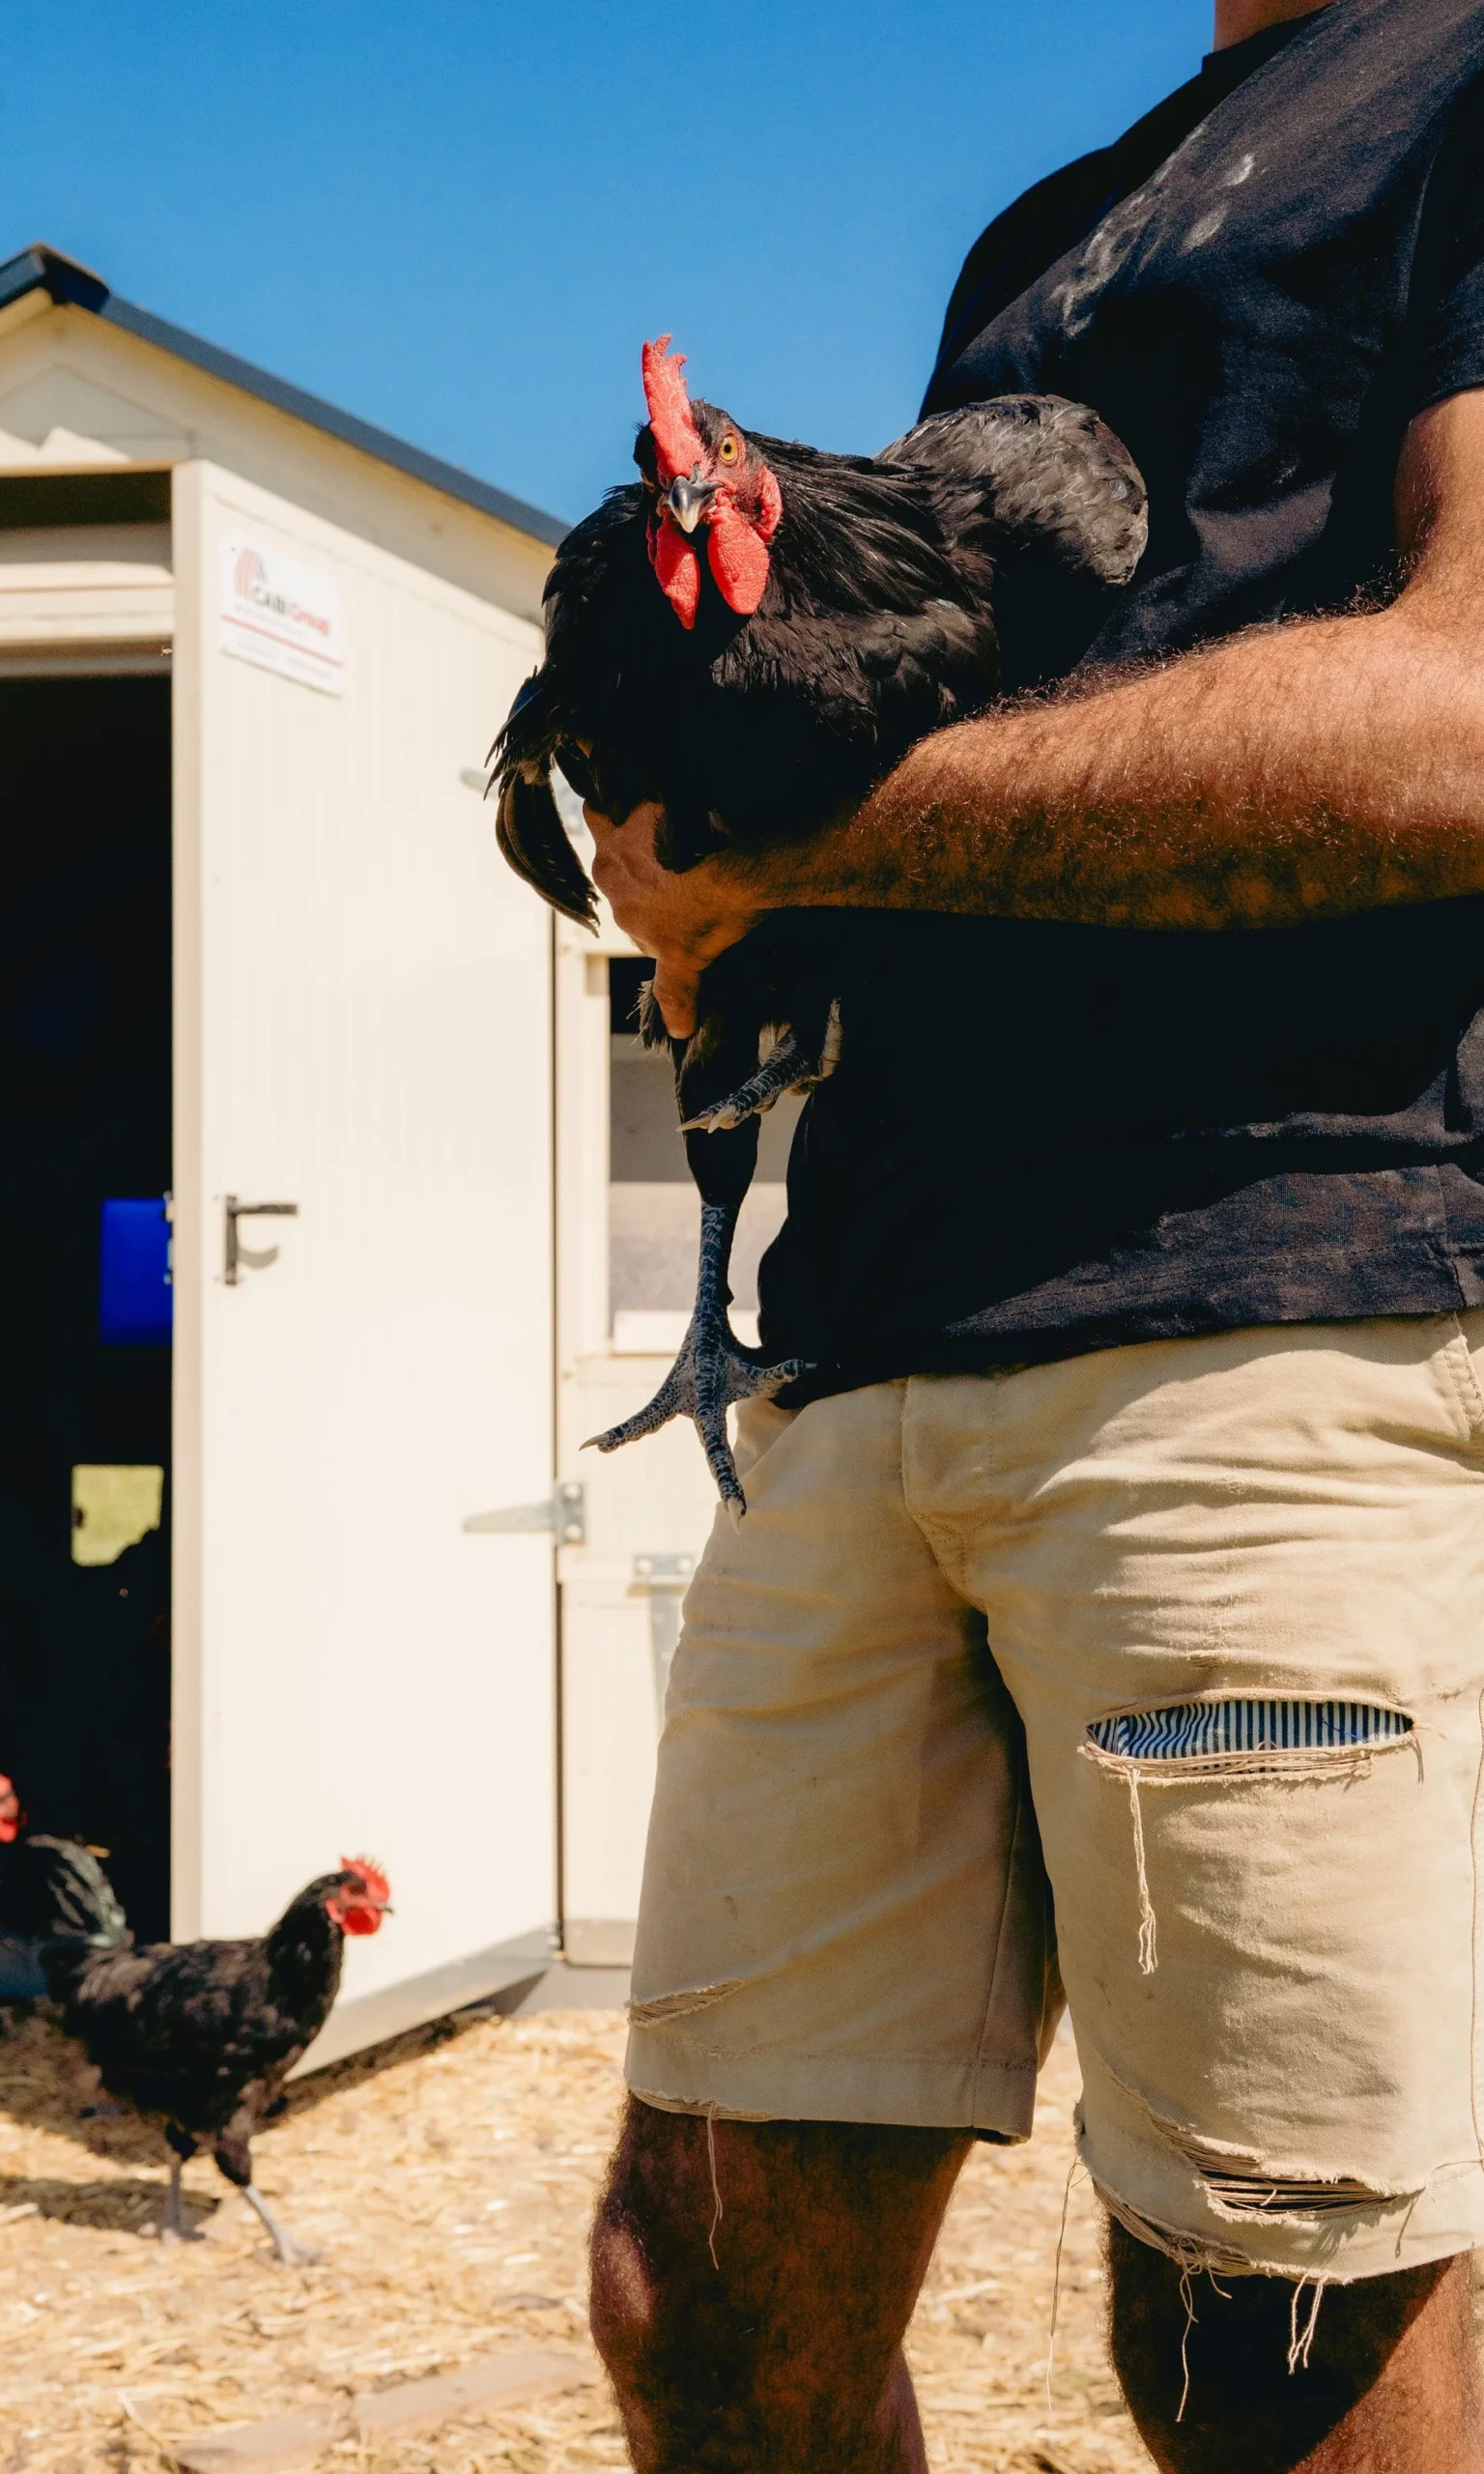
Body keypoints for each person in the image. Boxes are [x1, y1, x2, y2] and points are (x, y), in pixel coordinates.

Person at [582, 2, 1484, 2468]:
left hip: (1262, 1304)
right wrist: (736, 890)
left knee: (1264, 2350)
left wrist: (808, 842)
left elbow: (1463, 712)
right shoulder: (1040, 232)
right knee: (702, 2315)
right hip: (876, 1326)